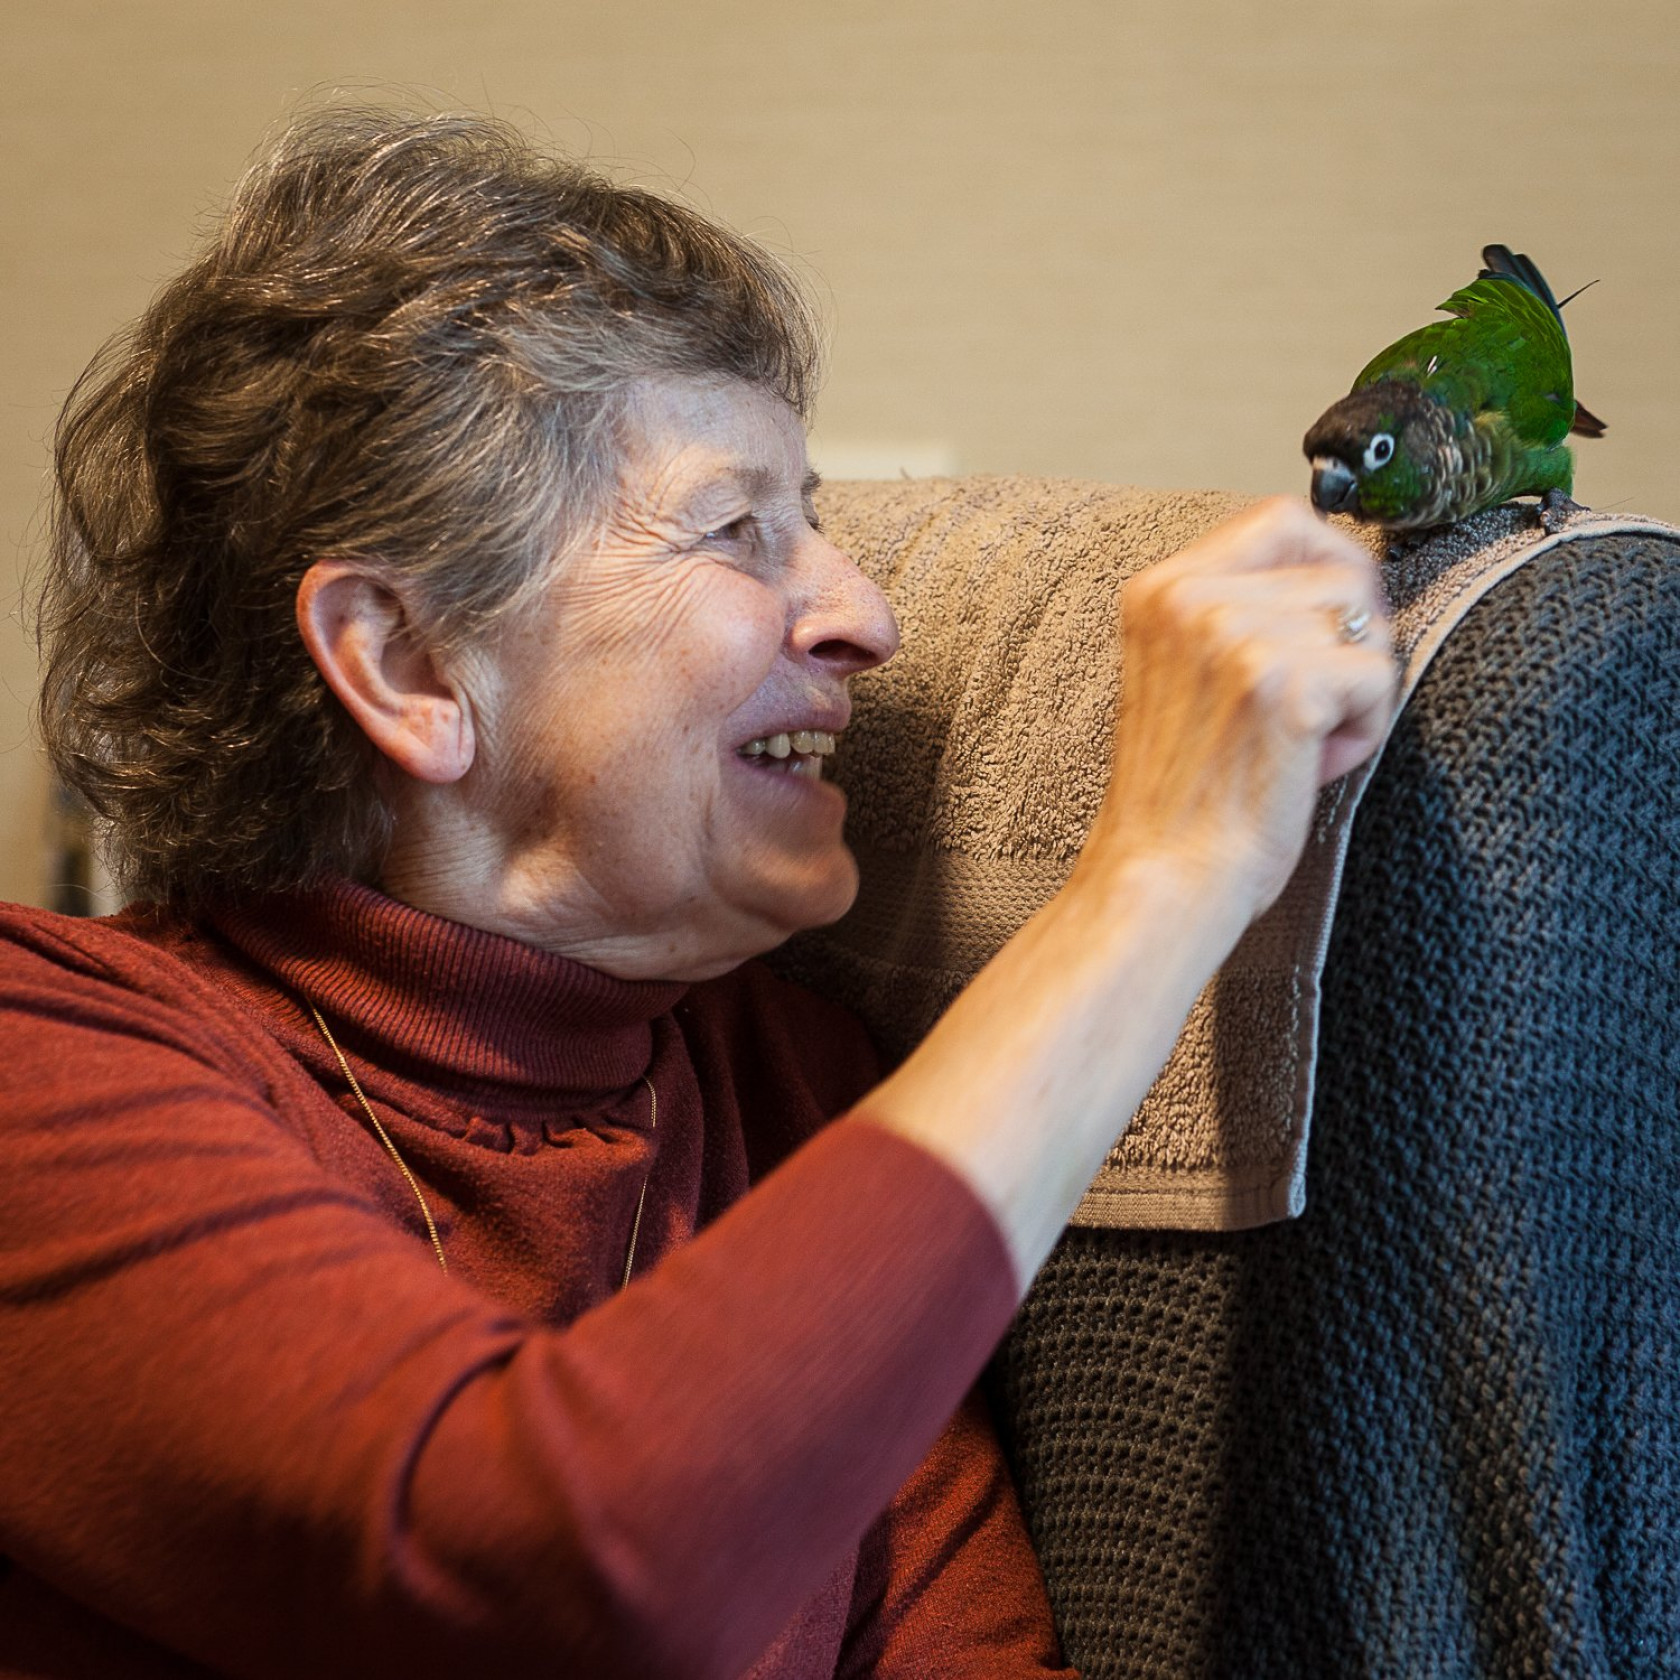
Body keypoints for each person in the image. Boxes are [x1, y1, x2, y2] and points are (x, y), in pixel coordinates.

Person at [0, 109, 1394, 1679]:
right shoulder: (41, 1060)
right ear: (408, 665)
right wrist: (1162, 868)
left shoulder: (789, 1087)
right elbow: (564, 1572)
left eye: (824, 523)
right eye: (740, 530)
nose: (865, 616)